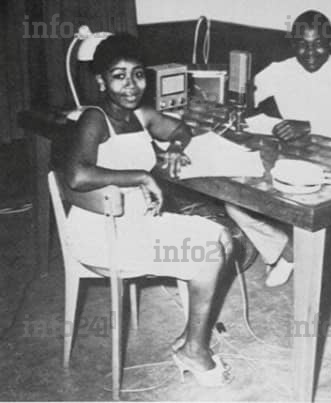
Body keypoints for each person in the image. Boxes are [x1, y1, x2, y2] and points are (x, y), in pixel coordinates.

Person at [64, 33, 233, 386]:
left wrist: (175, 148)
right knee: (209, 254)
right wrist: (140, 176)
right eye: (119, 76)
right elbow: (77, 175)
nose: (131, 85)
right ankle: (194, 351)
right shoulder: (94, 118)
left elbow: (182, 129)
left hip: (139, 223)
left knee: (222, 236)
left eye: (138, 74)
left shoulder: (140, 114)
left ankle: (190, 338)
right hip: (103, 235)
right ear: (101, 81)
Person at [226, 10, 331, 287]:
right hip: (291, 158)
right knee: (233, 195)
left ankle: (291, 253)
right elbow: (246, 110)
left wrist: (309, 125)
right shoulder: (279, 70)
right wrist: (272, 124)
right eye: (302, 44)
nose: (310, 52)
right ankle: (287, 250)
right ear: (292, 44)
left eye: (318, 44)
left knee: (296, 200)